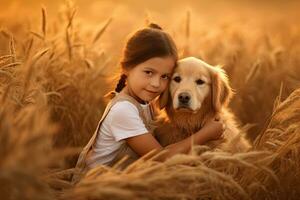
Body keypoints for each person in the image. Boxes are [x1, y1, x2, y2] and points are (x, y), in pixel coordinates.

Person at [72, 23, 224, 183]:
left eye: (165, 76)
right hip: (96, 189)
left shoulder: (145, 102)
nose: (156, 84)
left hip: (122, 182)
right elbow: (161, 158)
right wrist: (206, 133)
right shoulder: (123, 110)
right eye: (149, 72)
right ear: (127, 68)